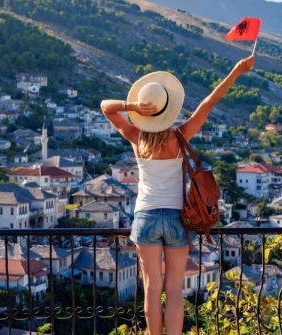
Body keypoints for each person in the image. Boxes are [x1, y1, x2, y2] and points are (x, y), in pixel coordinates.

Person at [100, 55, 255, 335]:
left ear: (145, 114)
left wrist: (131, 106)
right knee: (173, 290)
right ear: (168, 110)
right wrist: (237, 70)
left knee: (151, 288)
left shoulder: (136, 137)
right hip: (176, 219)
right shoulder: (179, 137)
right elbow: (208, 103)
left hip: (145, 216)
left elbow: (106, 108)